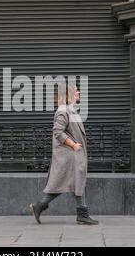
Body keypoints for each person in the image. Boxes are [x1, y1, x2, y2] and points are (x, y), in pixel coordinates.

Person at [29, 84, 98, 225]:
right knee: (70, 183)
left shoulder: (71, 110)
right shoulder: (63, 111)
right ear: (69, 94)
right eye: (76, 90)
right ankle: (81, 214)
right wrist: (73, 145)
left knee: (73, 183)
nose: (78, 92)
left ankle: (40, 207)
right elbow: (58, 132)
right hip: (69, 154)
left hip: (73, 154)